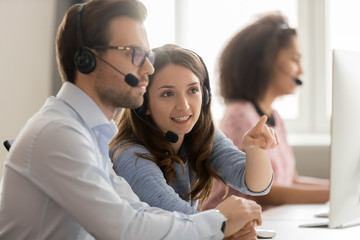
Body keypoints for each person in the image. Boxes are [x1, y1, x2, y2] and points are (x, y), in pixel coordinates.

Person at [0, 1, 265, 239]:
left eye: (146, 56)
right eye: (134, 53)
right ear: (87, 60)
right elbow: (125, 229)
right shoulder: (58, 133)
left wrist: (217, 228)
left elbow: (139, 213)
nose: (148, 68)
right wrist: (219, 221)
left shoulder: (87, 132)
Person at [110, 44, 279, 239]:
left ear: (205, 95)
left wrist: (255, 150)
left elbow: (255, 185)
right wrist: (225, 227)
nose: (184, 105)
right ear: (143, 104)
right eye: (167, 94)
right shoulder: (131, 156)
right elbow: (181, 219)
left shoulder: (200, 135)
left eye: (192, 90)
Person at [203, 13, 329, 211]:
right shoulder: (240, 115)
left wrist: (339, 189)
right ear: (267, 60)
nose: (301, 71)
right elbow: (263, 191)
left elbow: (291, 181)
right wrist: (334, 194)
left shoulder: (275, 117)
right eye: (295, 60)